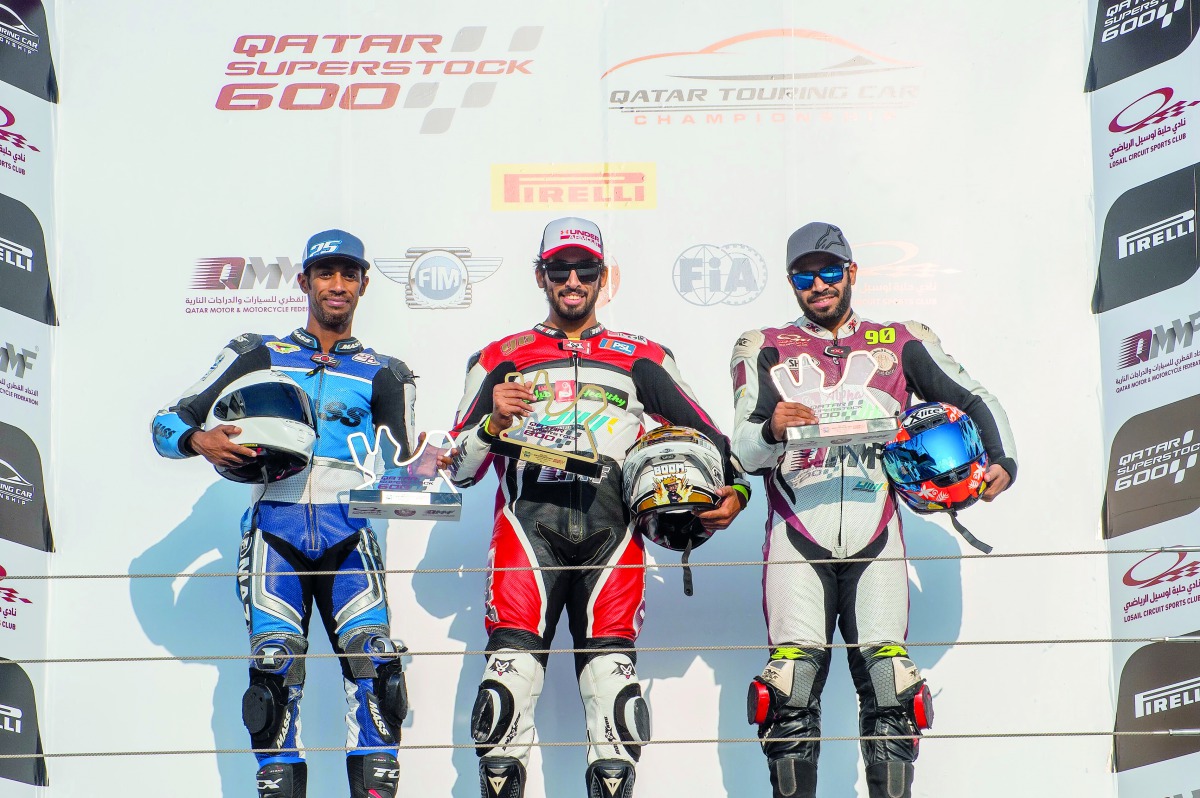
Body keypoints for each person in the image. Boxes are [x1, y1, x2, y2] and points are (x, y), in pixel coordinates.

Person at [446, 217, 748, 798]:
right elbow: (456, 468)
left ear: (603, 276)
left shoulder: (642, 355)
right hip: (525, 529)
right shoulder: (499, 357)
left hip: (614, 532)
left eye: (585, 268)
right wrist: (490, 424)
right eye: (560, 268)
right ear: (541, 275)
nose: (573, 279)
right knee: (503, 704)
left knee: (616, 706)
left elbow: (708, 436)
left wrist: (736, 491)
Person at [730, 222, 1017, 798]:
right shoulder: (760, 343)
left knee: (892, 690)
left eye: (830, 270)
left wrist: (1003, 461)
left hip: (877, 533)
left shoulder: (901, 338)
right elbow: (741, 450)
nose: (819, 284)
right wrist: (770, 427)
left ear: (852, 273)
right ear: (791, 282)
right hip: (796, 535)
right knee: (788, 693)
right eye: (804, 274)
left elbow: (974, 397)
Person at [151, 230, 417, 798]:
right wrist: (201, 440)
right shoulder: (259, 352)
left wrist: (446, 458)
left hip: (353, 535)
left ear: (365, 284)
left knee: (376, 670)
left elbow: (406, 468)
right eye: (326, 274)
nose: (337, 285)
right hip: (275, 528)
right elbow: (166, 424)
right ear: (304, 282)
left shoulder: (386, 372)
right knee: (273, 673)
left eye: (349, 275)